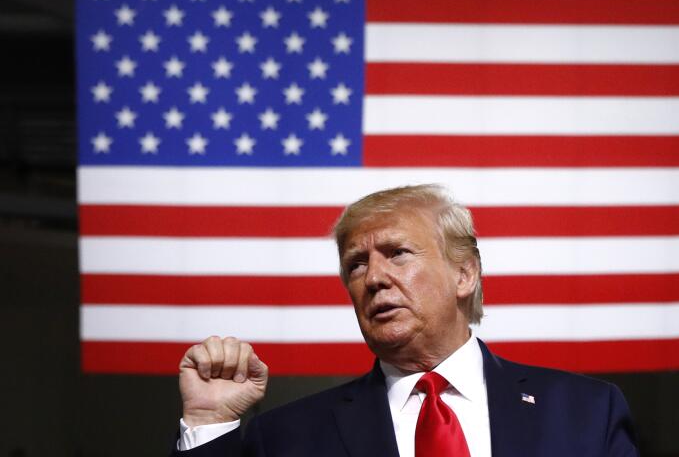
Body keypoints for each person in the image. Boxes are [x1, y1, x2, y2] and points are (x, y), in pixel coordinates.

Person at [174, 184, 639, 456]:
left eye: (397, 254)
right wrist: (208, 421)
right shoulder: (289, 436)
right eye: (356, 264)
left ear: (465, 273)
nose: (374, 277)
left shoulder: (585, 412)